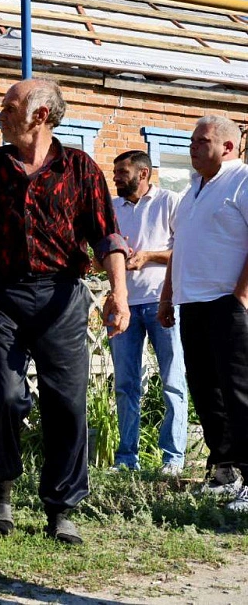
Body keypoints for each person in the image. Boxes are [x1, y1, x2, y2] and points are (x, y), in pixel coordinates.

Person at [0, 79, 129, 545]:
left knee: (66, 403)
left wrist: (119, 293)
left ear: (40, 115)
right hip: (0, 296)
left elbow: (107, 237)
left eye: (9, 107)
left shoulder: (80, 169)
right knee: (3, 396)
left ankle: (61, 508)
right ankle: (0, 493)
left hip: (61, 297)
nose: (0, 114)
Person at [159, 115, 248, 512]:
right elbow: (179, 249)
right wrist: (167, 298)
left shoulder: (242, 181)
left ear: (227, 146)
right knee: (206, 391)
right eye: (192, 141)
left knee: (239, 393)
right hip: (192, 305)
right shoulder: (191, 189)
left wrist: (241, 297)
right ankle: (224, 472)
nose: (192, 147)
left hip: (229, 305)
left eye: (202, 141)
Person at [108, 151, 187, 474]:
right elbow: (100, 253)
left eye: (122, 172)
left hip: (163, 302)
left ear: (143, 174)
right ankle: (127, 459)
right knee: (125, 384)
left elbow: (187, 249)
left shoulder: (170, 201)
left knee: (172, 382)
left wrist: (149, 256)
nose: (116, 177)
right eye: (115, 172)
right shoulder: (113, 208)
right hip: (123, 304)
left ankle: (173, 459)